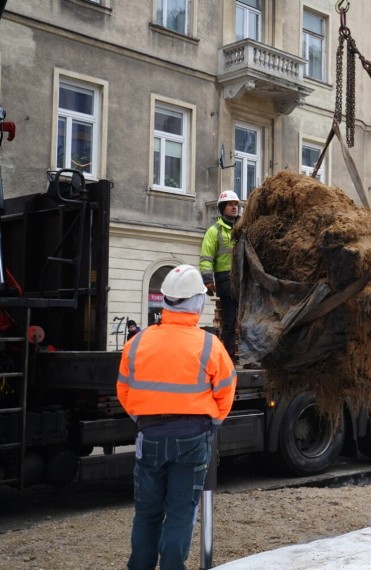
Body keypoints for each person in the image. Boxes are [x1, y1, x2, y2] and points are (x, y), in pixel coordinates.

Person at [116, 264, 236, 570]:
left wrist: (144, 419)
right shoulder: (210, 345)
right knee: (181, 512)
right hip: (194, 437)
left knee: (147, 513)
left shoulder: (137, 342)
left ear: (165, 300)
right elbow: (225, 390)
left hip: (150, 435)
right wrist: (214, 420)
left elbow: (125, 392)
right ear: (197, 303)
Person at [200, 190, 240, 361]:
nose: (234, 207)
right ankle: (229, 356)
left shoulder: (243, 229)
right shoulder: (214, 231)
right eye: (231, 204)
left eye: (236, 204)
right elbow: (206, 257)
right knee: (230, 321)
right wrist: (208, 279)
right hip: (225, 279)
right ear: (223, 208)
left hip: (244, 279)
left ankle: (248, 355)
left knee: (247, 320)